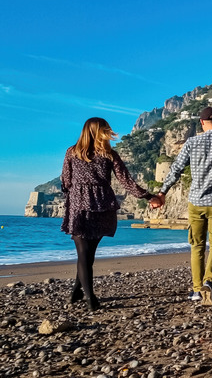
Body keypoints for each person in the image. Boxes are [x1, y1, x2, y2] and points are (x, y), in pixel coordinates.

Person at [61, 117, 161, 311]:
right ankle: (81, 293)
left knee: (84, 253)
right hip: (102, 204)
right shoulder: (109, 155)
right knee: (88, 254)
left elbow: (65, 181)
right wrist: (148, 196)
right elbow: (126, 181)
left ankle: (87, 297)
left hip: (78, 205)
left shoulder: (71, 153)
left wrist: (73, 194)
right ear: (100, 132)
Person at [158, 107, 212, 306]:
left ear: (202, 122)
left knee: (196, 246)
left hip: (196, 202)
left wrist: (163, 192)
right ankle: (209, 282)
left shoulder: (192, 142)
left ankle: (197, 289)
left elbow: (176, 168)